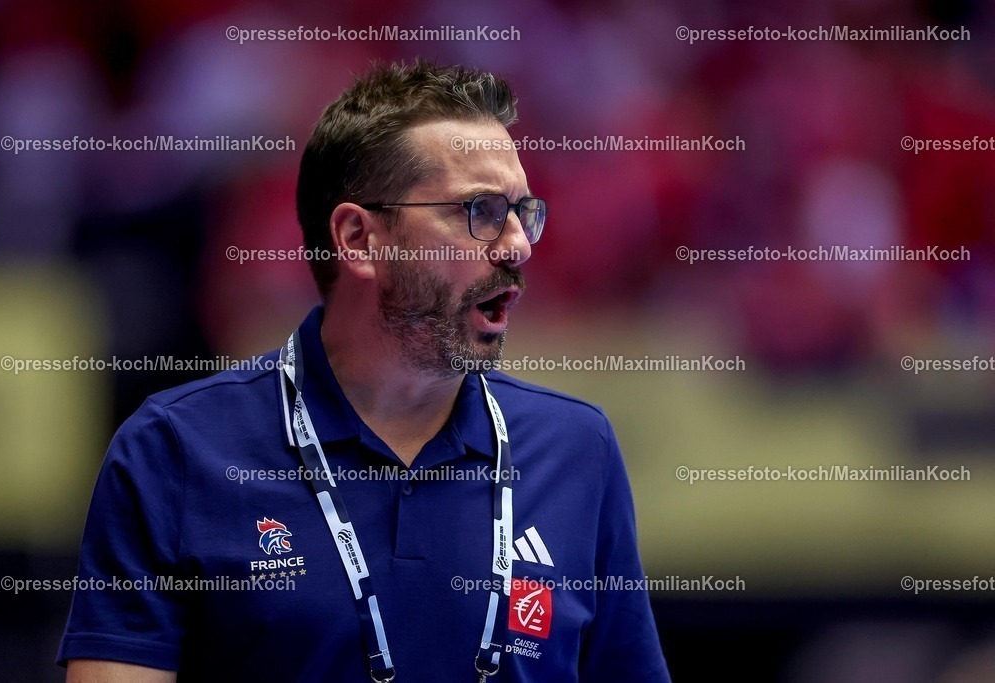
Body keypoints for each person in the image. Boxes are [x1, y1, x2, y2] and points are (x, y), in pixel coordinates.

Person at [59, 60, 671, 682]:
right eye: (481, 211)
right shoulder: (175, 450)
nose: (518, 245)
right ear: (357, 238)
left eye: (522, 212)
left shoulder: (575, 448)